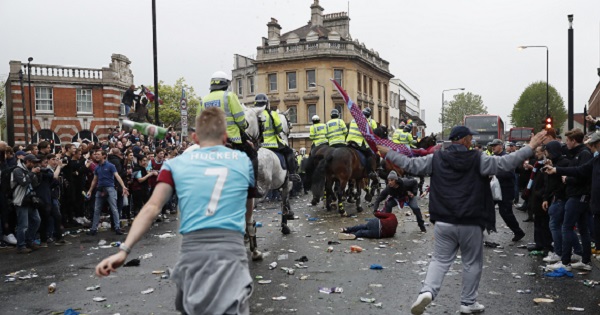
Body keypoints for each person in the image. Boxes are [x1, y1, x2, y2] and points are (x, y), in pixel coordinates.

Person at [95, 107, 255, 314]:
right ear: (225, 137)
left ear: (195, 137)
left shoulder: (174, 164)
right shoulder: (243, 162)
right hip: (230, 250)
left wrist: (124, 250)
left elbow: (152, 207)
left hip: (193, 252)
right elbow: (247, 201)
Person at [377, 125, 547, 315]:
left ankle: (427, 292)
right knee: (472, 262)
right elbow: (506, 163)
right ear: (465, 140)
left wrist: (389, 153)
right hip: (470, 220)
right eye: (470, 138)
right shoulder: (478, 159)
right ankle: (468, 303)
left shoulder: (436, 158)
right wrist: (530, 147)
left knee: (440, 260)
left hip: (443, 220)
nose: (471, 141)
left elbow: (410, 164)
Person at [544, 128, 593, 271]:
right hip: (580, 196)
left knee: (566, 227)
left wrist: (567, 178)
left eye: (568, 141)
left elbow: (582, 174)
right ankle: (585, 261)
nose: (566, 143)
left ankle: (565, 262)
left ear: (574, 141)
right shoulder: (579, 154)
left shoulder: (583, 154)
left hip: (578, 196)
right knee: (583, 229)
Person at [255, 93, 298, 181]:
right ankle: (292, 174)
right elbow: (279, 128)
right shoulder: (272, 114)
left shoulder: (253, 114)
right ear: (266, 104)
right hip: (272, 144)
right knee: (289, 152)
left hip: (258, 145)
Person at [85, 149, 129, 236]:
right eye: (95, 154)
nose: (96, 156)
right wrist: (90, 190)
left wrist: (123, 186)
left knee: (114, 209)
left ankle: (117, 228)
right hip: (100, 189)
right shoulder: (97, 167)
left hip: (110, 189)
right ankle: (93, 229)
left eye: (98, 154)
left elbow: (117, 176)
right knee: (96, 209)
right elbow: (94, 180)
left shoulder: (111, 166)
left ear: (104, 156)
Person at [489, 138, 525, 242]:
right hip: (495, 190)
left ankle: (518, 232)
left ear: (501, 146)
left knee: (505, 213)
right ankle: (481, 229)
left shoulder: (506, 158)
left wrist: (494, 173)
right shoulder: (494, 157)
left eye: (495, 145)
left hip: (505, 190)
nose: (493, 147)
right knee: (486, 209)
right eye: (492, 146)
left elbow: (509, 174)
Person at [12, 154, 42, 254]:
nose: (35, 164)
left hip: (30, 200)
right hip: (21, 200)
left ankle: (29, 241)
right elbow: (23, 182)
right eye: (33, 162)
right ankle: (21, 246)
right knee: (23, 225)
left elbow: (36, 184)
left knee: (37, 220)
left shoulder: (29, 171)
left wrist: (37, 174)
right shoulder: (17, 170)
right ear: (28, 161)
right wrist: (31, 173)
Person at [346, 107, 378, 177]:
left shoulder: (353, 120)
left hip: (349, 141)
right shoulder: (366, 122)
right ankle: (369, 172)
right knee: (370, 155)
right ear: (369, 115)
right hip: (359, 143)